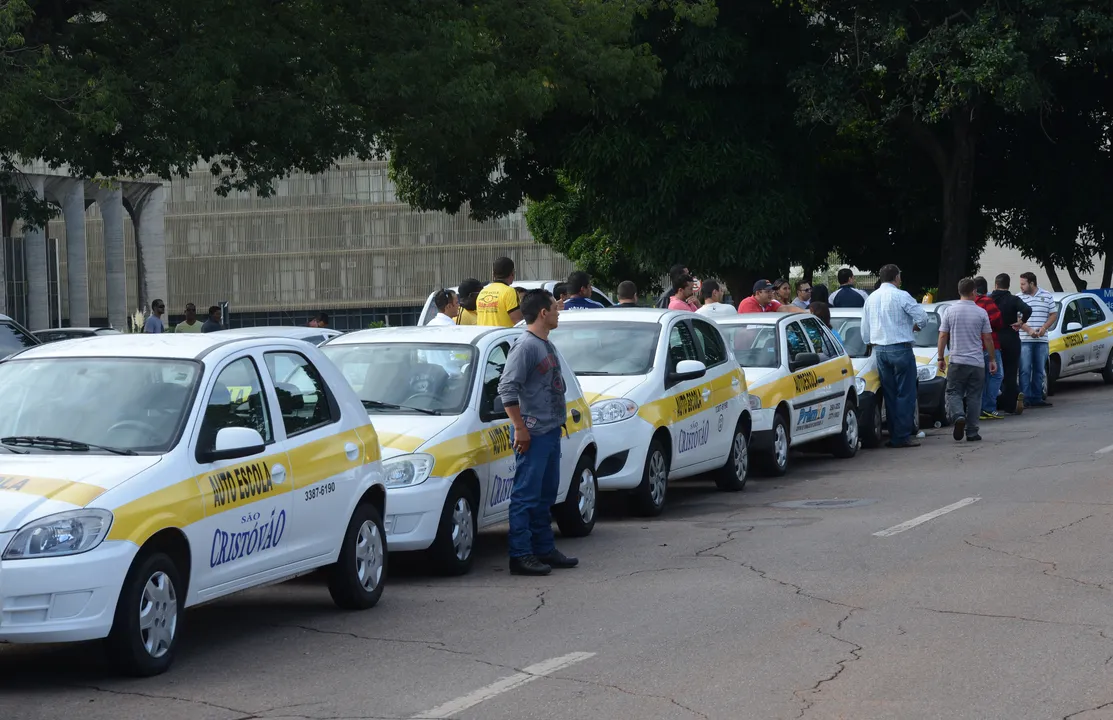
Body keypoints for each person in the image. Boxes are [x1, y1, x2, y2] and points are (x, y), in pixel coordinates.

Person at [497, 289, 577, 576]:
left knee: (545, 495)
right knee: (526, 495)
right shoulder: (526, 346)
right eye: (554, 309)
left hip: (551, 430)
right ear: (543, 313)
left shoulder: (546, 344)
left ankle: (544, 548)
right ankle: (520, 555)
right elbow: (507, 388)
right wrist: (519, 427)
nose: (558, 313)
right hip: (533, 432)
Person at [861, 264, 928, 448]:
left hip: (880, 350)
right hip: (901, 348)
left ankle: (894, 434)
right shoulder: (901, 295)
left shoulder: (871, 298)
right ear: (896, 277)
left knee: (889, 394)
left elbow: (865, 331)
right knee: (905, 393)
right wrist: (914, 327)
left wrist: (871, 341)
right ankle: (902, 435)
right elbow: (922, 317)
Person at [938, 278, 996, 442]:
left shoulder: (950, 311)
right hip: (976, 362)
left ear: (959, 291)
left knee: (953, 392)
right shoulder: (981, 312)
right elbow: (988, 338)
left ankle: (958, 416)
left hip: (957, 360)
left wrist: (941, 357)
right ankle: (972, 432)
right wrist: (992, 359)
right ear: (973, 292)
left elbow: (943, 335)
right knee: (974, 396)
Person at [990, 274, 1031, 414]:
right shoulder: (1013, 299)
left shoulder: (989, 300)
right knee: (1011, 371)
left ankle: (993, 402)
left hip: (993, 337)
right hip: (1010, 336)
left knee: (993, 372)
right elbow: (1027, 309)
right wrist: (1021, 322)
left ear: (996, 285)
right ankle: (1010, 403)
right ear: (1008, 285)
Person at [1016, 271, 1058, 408]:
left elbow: (1053, 314)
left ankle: (1037, 397)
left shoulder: (1046, 295)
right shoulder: (1018, 298)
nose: (1021, 286)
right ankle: (1025, 398)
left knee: (1039, 369)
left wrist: (1044, 328)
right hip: (1024, 340)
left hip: (1041, 340)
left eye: (1023, 284)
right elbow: (1016, 319)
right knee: (1025, 369)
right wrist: (1029, 330)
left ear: (1032, 283)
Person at [972, 277, 1005, 420]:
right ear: (985, 289)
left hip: (973, 346)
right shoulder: (987, 302)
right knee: (997, 375)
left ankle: (978, 409)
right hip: (990, 344)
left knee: (981, 379)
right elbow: (997, 321)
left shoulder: (968, 303)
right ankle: (989, 407)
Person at [476, 257, 523, 327]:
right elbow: (518, 321)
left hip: (484, 336)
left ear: (493, 274)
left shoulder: (483, 292)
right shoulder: (509, 291)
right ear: (512, 273)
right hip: (503, 336)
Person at [737, 280, 805, 314]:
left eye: (771, 291)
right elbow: (758, 325)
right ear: (758, 293)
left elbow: (787, 309)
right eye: (768, 291)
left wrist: (807, 312)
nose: (771, 294)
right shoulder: (748, 303)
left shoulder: (769, 303)